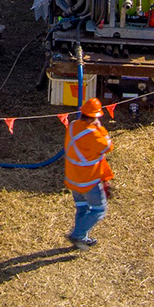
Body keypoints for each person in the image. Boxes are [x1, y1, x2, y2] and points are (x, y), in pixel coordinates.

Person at [64, 95, 115, 248]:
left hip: (73, 177)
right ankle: (78, 235)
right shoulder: (93, 134)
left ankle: (82, 238)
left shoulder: (72, 125)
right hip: (88, 180)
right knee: (99, 209)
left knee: (82, 207)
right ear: (95, 117)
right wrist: (100, 128)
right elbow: (108, 146)